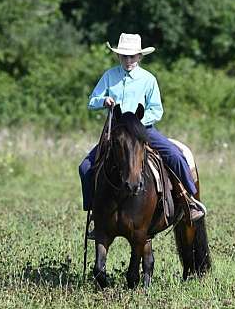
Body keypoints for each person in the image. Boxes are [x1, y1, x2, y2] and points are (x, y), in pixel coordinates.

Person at [79, 33, 206, 222]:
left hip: (143, 131)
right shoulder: (109, 76)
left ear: (139, 57)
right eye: (124, 56)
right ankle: (94, 213)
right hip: (116, 133)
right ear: (118, 56)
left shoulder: (148, 79)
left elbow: (156, 110)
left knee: (175, 155)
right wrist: (103, 100)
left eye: (132, 56)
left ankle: (190, 200)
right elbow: (92, 101)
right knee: (85, 167)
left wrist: (137, 124)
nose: (128, 60)